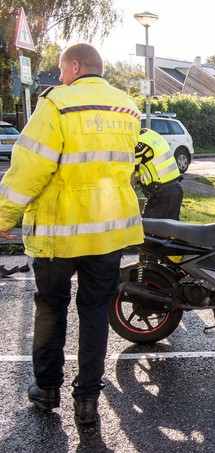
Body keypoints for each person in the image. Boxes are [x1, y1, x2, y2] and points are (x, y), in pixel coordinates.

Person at [0, 43, 144, 426]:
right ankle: (87, 401)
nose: (60, 78)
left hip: (57, 233)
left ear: (76, 66)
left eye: (62, 70)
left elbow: (29, 169)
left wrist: (3, 217)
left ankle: (47, 389)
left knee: (51, 308)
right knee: (95, 311)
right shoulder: (127, 108)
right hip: (107, 233)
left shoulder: (58, 104)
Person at [134, 128, 183, 220]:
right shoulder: (149, 134)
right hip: (176, 189)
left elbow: (130, 181)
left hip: (161, 195)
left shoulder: (137, 145)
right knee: (171, 229)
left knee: (149, 230)